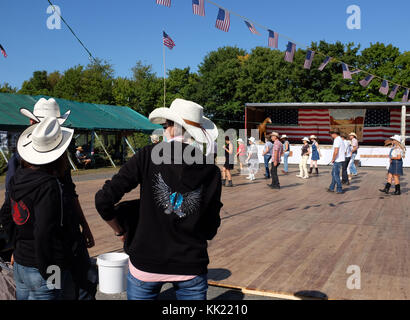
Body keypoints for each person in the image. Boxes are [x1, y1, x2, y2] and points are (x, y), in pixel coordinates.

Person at [95, 98, 222, 301]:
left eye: (165, 125)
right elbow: (210, 228)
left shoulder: (147, 156)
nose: (163, 130)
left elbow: (103, 200)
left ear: (172, 129)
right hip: (190, 264)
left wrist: (120, 230)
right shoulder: (211, 170)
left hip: (145, 263)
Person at [17, 98, 96, 300]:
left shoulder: (54, 164)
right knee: (60, 292)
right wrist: (48, 270)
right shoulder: (33, 173)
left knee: (82, 288)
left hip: (59, 247)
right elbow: (40, 229)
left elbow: (71, 195)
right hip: (47, 257)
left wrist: (84, 226)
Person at [9, 117, 75, 300]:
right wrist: (49, 270)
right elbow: (44, 232)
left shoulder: (18, 177)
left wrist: (15, 247)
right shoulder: (49, 185)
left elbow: (6, 216)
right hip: (44, 266)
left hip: (21, 263)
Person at [327, 129, 346, 194]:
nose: (331, 135)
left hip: (337, 160)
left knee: (335, 175)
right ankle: (331, 187)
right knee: (334, 174)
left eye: (331, 133)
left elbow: (336, 151)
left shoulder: (337, 140)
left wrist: (333, 159)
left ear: (335, 134)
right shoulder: (340, 139)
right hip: (340, 159)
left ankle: (339, 189)